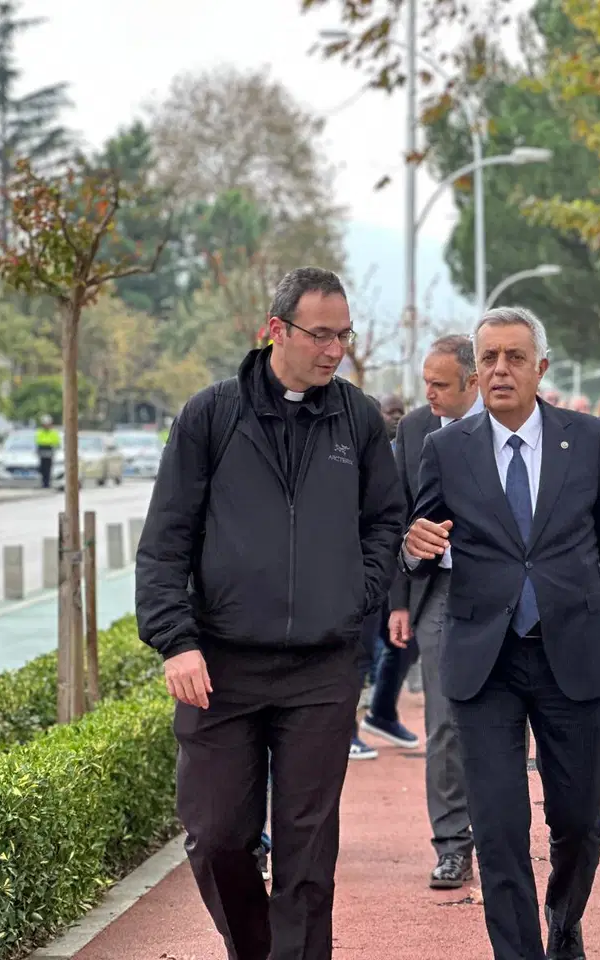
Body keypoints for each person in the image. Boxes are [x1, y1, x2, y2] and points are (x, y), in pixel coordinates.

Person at [135, 267, 406, 960]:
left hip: (322, 669)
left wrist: (355, 592)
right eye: (321, 334)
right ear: (276, 329)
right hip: (221, 668)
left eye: (344, 335)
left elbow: (385, 520)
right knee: (216, 835)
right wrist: (176, 641)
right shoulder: (210, 416)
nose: (335, 350)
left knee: (307, 852)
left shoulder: (358, 419)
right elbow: (165, 541)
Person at [402, 306, 600, 960]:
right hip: (484, 663)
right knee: (498, 828)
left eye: (514, 357)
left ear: (541, 367)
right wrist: (411, 547)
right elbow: (418, 541)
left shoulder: (588, 439)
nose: (500, 369)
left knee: (579, 820)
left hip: (575, 655)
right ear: (475, 371)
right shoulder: (446, 449)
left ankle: (564, 922)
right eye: (488, 358)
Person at [384, 333, 483, 890]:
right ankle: (451, 844)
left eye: (440, 384)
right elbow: (397, 516)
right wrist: (398, 602)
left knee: (503, 718)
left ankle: (499, 835)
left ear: (473, 382)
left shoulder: (506, 421)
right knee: (443, 722)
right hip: (437, 592)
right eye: (426, 382)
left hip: (502, 591)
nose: (429, 394)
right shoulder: (415, 428)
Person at [35, 415, 60, 489]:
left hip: (49, 450)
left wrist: (50, 444)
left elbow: (56, 442)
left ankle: (47, 483)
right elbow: (38, 441)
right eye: (45, 424)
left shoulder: (53, 432)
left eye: (47, 424)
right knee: (42, 468)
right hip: (42, 450)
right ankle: (43, 482)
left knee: (48, 468)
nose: (46, 426)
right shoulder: (40, 432)